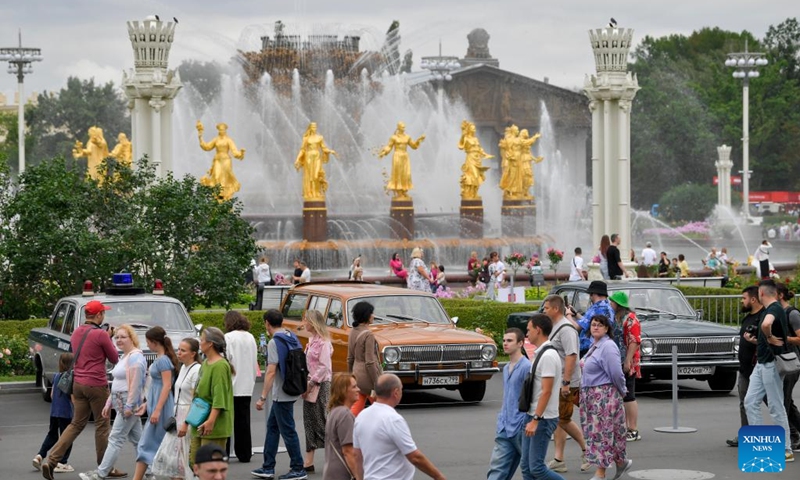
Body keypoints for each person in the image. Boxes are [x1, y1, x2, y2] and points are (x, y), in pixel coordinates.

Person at [42, 300, 119, 480]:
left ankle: (52, 460)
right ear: (99, 315)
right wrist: (109, 337)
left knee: (76, 424)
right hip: (96, 384)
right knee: (102, 425)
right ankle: (104, 467)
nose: (104, 316)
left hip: (78, 384)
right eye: (103, 313)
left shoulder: (76, 332)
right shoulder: (101, 334)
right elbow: (114, 358)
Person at [79, 325, 147, 480]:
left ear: (132, 338)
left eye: (123, 337)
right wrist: (109, 403)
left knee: (115, 438)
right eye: (117, 337)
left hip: (126, 403)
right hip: (120, 400)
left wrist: (129, 406)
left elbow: (136, 385)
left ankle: (101, 473)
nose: (119, 340)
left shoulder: (135, 357)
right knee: (138, 441)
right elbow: (118, 381)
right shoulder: (125, 356)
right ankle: (149, 472)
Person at [353, 374, 446, 480]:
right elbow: (415, 457)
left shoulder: (362, 416)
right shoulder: (393, 419)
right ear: (396, 392)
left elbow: (357, 455)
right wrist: (439, 476)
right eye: (401, 389)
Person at [252, 310, 307, 480]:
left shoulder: (274, 342)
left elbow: (270, 371)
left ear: (267, 322)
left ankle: (298, 468)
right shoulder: (290, 335)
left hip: (281, 393)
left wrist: (262, 397)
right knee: (273, 429)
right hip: (292, 387)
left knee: (288, 431)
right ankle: (268, 466)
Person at [744, 280, 793, 463]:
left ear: (762, 294)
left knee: (775, 405)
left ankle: (785, 448)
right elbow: (765, 333)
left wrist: (769, 336)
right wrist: (758, 341)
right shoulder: (772, 309)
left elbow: (766, 325)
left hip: (771, 364)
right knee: (750, 402)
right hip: (763, 363)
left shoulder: (773, 309)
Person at [579, 314, 632, 480]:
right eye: (593, 324)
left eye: (600, 325)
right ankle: (621, 461)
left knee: (600, 434)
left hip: (603, 396)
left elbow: (616, 372)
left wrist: (622, 390)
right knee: (604, 433)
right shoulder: (595, 345)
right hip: (591, 396)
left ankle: (600, 473)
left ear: (607, 328)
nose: (595, 327)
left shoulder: (608, 346)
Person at [541, 296, 589, 474]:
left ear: (555, 309)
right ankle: (559, 458)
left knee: (563, 419)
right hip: (558, 380)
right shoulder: (555, 326)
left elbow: (571, 356)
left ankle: (587, 451)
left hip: (567, 382)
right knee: (559, 419)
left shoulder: (566, 329)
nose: (544, 311)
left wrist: (566, 383)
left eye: (546, 308)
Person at [132, 327, 179, 480]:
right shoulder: (162, 359)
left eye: (148, 342)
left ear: (154, 342)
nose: (147, 345)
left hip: (161, 407)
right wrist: (148, 404)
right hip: (158, 405)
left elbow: (166, 385)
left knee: (148, 443)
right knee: (163, 443)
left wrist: (157, 410)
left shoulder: (163, 360)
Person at [520, 313, 563, 480]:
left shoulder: (548, 356)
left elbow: (547, 391)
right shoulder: (542, 353)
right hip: (533, 415)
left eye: (528, 329)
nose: (526, 333)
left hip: (542, 418)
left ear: (538, 330)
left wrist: (536, 420)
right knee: (526, 467)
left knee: (536, 468)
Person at [152, 338, 201, 480]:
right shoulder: (183, 367)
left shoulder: (196, 370)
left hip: (187, 414)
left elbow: (195, 399)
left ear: (193, 353)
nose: (178, 353)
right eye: (178, 349)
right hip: (177, 414)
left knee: (183, 454)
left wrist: (187, 422)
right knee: (175, 456)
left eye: (183, 350)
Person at [486, 328, 531, 480]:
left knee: (532, 469)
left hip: (521, 426)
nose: (505, 344)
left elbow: (531, 397)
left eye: (509, 341)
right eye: (504, 340)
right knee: (497, 470)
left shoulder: (526, 367)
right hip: (505, 426)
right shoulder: (505, 368)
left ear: (520, 343)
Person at [726, 286, 764, 447]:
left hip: (761, 369)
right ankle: (747, 434)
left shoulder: (764, 317)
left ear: (753, 299)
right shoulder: (748, 317)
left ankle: (793, 434)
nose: (742, 301)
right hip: (745, 368)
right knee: (745, 402)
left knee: (778, 404)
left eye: (744, 298)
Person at [191, 327, 235, 465]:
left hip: (213, 424)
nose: (199, 342)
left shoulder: (220, 366)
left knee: (210, 466)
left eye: (202, 339)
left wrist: (210, 421)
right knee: (195, 463)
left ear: (210, 343)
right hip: (199, 420)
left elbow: (219, 397)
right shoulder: (205, 363)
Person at [224, 311, 258, 462]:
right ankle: (244, 453)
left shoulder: (228, 337)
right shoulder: (250, 337)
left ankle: (224, 452)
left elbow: (226, 359)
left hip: (232, 384)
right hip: (247, 383)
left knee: (225, 420)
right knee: (243, 421)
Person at [301, 310, 333, 472]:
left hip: (320, 385)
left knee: (321, 420)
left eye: (306, 320)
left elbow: (324, 366)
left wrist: (311, 382)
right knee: (309, 421)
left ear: (313, 322)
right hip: (310, 383)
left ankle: (336, 456)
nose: (304, 323)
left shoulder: (324, 342)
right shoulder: (311, 340)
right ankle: (308, 461)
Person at [34, 353, 75, 474]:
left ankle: (39, 455)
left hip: (54, 412)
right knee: (66, 438)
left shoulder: (56, 376)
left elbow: (52, 395)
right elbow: (72, 398)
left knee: (52, 435)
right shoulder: (71, 377)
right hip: (65, 413)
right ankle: (62, 462)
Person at [608, 292, 642, 442]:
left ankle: (633, 429)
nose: (610, 304)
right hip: (618, 359)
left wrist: (628, 361)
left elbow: (634, 341)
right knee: (621, 394)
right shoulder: (617, 317)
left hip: (627, 360)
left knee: (629, 395)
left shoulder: (631, 319)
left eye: (612, 302)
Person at [325, 374, 363, 480]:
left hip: (331, 471)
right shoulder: (345, 414)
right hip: (342, 474)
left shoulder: (334, 411)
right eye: (354, 387)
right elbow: (348, 451)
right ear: (344, 391)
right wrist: (359, 476)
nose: (358, 390)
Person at [347, 301, 382, 416]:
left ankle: (349, 425)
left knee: (357, 405)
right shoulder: (368, 335)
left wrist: (350, 376)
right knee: (380, 407)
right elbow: (370, 362)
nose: (373, 315)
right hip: (368, 377)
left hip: (357, 375)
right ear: (366, 315)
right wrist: (377, 383)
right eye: (371, 313)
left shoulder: (353, 332)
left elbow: (350, 358)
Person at [196, 121, 246, 201]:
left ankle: (224, 197)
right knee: (216, 176)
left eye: (222, 130)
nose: (221, 131)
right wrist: (200, 137)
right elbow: (207, 147)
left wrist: (241, 153)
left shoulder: (228, 140)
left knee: (225, 178)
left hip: (226, 160)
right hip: (217, 160)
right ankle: (217, 196)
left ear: (225, 130)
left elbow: (234, 151)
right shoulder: (216, 139)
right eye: (220, 130)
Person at [776, 283, 800, 451]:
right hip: (781, 361)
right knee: (785, 401)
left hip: (792, 361)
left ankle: (791, 436)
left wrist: (784, 338)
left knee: (784, 401)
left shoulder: (792, 314)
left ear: (780, 295)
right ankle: (794, 432)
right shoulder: (777, 312)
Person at [377, 121, 425, 199]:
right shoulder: (394, 137)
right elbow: (389, 146)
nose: (404, 128)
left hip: (405, 156)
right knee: (398, 173)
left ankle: (404, 191)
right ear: (398, 127)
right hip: (397, 156)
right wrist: (384, 152)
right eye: (402, 127)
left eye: (404, 127)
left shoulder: (407, 137)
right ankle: (399, 192)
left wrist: (419, 139)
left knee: (406, 174)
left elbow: (414, 146)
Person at [570, 281, 614, 357]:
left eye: (590, 294)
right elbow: (588, 322)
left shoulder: (596, 308)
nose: (590, 297)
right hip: (604, 346)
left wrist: (568, 315)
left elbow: (577, 327)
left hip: (591, 348)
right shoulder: (609, 308)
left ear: (593, 294)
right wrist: (576, 314)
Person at [294, 122, 337, 201]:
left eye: (315, 127)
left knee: (316, 176)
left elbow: (324, 148)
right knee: (310, 176)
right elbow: (302, 150)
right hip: (309, 158)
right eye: (313, 127)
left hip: (317, 157)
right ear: (310, 128)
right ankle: (310, 193)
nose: (314, 128)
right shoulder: (306, 138)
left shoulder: (320, 137)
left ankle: (317, 192)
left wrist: (331, 151)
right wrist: (297, 159)